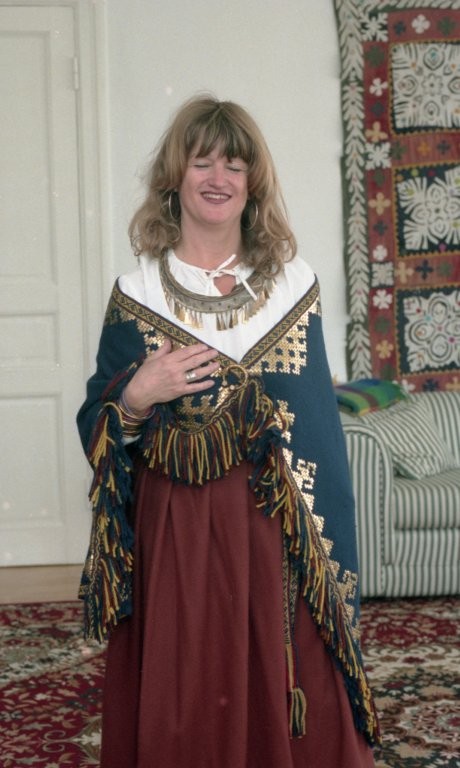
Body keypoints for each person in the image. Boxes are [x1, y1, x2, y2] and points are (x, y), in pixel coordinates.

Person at [77, 94, 379, 768]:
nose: (218, 178)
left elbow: (317, 426)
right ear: (175, 176)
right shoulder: (138, 292)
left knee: (289, 679)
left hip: (278, 529)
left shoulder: (294, 286)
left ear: (252, 184)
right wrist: (136, 395)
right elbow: (97, 422)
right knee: (189, 685)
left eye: (234, 166)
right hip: (178, 532)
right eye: (202, 162)